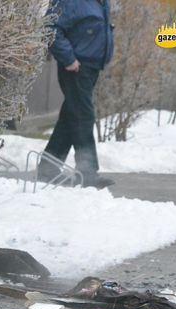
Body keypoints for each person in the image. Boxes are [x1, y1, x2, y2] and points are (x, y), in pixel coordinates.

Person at [38, 0, 115, 188]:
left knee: (71, 116)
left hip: (91, 67)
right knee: (83, 117)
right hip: (75, 67)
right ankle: (87, 173)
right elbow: (50, 27)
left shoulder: (100, 3)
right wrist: (68, 59)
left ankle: (47, 169)